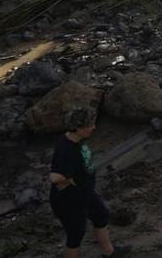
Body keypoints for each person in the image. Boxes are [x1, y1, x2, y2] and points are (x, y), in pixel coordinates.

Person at [48, 104, 125, 256]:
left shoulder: (76, 140)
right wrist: (70, 179)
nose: (94, 127)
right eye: (90, 125)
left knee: (101, 215)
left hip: (85, 192)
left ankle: (110, 253)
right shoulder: (67, 150)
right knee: (76, 234)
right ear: (78, 128)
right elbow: (55, 177)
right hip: (70, 200)